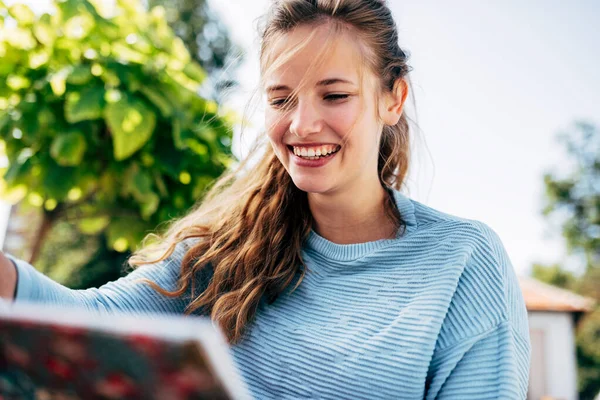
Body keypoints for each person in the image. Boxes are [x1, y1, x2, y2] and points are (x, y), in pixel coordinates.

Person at [0, 0, 531, 398]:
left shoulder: (462, 262)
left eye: (335, 94)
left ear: (393, 98)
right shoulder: (222, 251)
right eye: (281, 99)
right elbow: (84, 320)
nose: (302, 124)